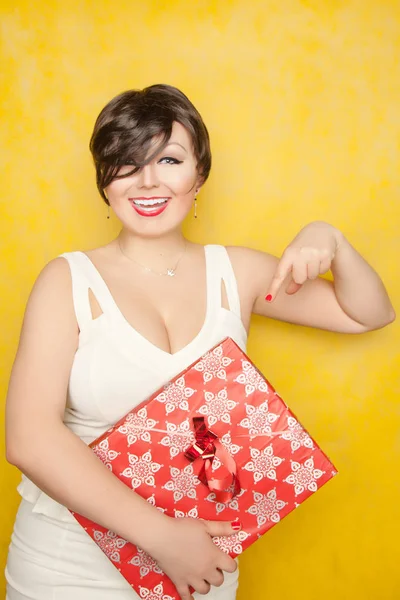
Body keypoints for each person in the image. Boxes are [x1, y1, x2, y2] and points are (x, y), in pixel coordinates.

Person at [4, 83, 395, 600]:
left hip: (201, 568)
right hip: (68, 564)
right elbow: (28, 438)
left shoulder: (235, 271)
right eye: (127, 162)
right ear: (105, 180)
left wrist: (333, 241)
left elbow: (367, 313)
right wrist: (162, 537)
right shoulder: (67, 280)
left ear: (199, 175)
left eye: (169, 159)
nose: (148, 181)